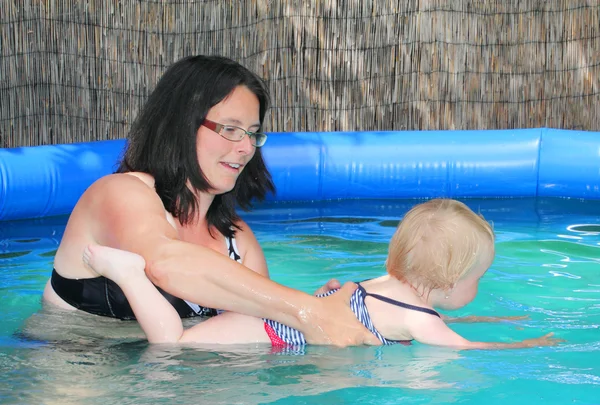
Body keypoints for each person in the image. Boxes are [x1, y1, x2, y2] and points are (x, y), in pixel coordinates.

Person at [41, 55, 378, 347]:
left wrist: (307, 322)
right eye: (230, 129)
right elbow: (164, 262)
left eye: (252, 133)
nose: (246, 148)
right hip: (74, 377)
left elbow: (250, 338)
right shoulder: (117, 193)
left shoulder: (238, 241)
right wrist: (306, 311)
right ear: (182, 127)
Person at [82, 199, 563, 349]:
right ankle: (128, 275)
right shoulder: (423, 321)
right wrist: (526, 345)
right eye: (477, 276)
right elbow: (463, 348)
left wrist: (494, 322)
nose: (480, 288)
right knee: (170, 343)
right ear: (446, 282)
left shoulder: (388, 283)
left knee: (187, 335)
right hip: (270, 336)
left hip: (270, 318)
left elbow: (438, 323)